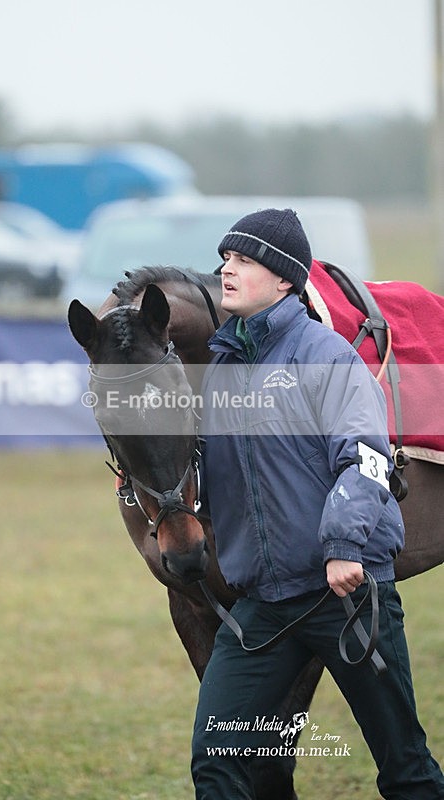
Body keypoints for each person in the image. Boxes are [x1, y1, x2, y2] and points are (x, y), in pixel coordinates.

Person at [192, 208, 444, 799]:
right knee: (216, 760)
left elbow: (367, 457)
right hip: (265, 605)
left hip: (345, 594)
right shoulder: (223, 366)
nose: (227, 271)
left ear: (284, 279)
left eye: (244, 260)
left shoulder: (325, 355)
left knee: (405, 770)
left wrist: (342, 546)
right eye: (225, 259)